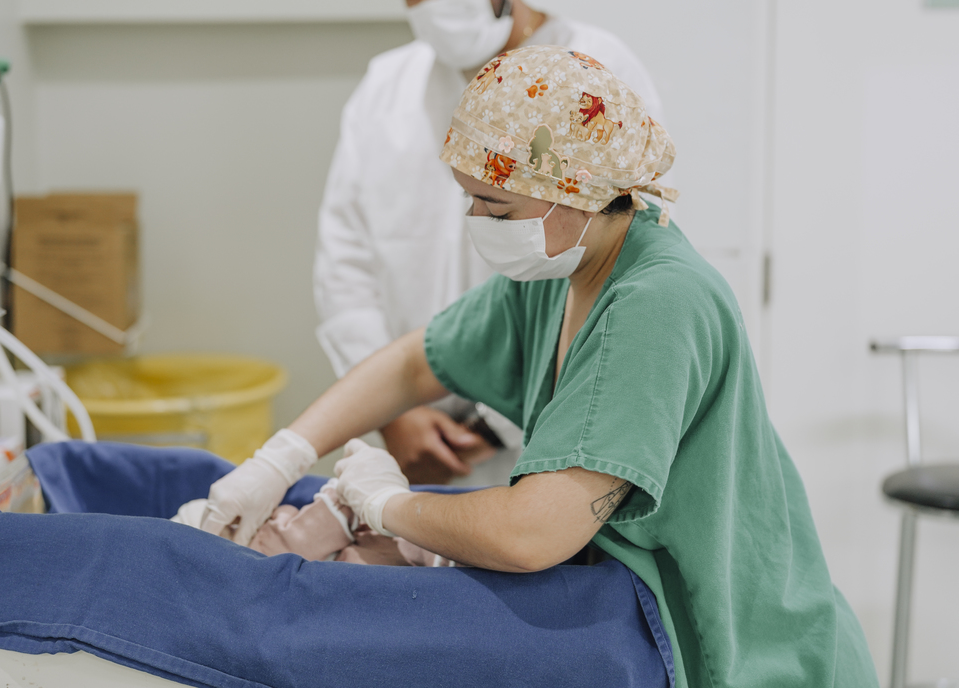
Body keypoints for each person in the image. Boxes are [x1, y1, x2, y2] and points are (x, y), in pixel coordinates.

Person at [197, 47, 879, 687]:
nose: (477, 218)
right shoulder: (561, 272)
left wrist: (386, 506)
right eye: (470, 198)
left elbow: (532, 533)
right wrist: (280, 459)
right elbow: (414, 365)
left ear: (578, 192)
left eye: (495, 205)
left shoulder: (656, 304)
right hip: (623, 604)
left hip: (739, 648)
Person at [314, 0, 664, 485]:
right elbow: (344, 263)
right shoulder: (386, 89)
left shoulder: (593, 69)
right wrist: (393, 411)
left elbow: (628, 252)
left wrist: (495, 424)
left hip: (555, 426)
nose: (430, 1)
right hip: (408, 432)